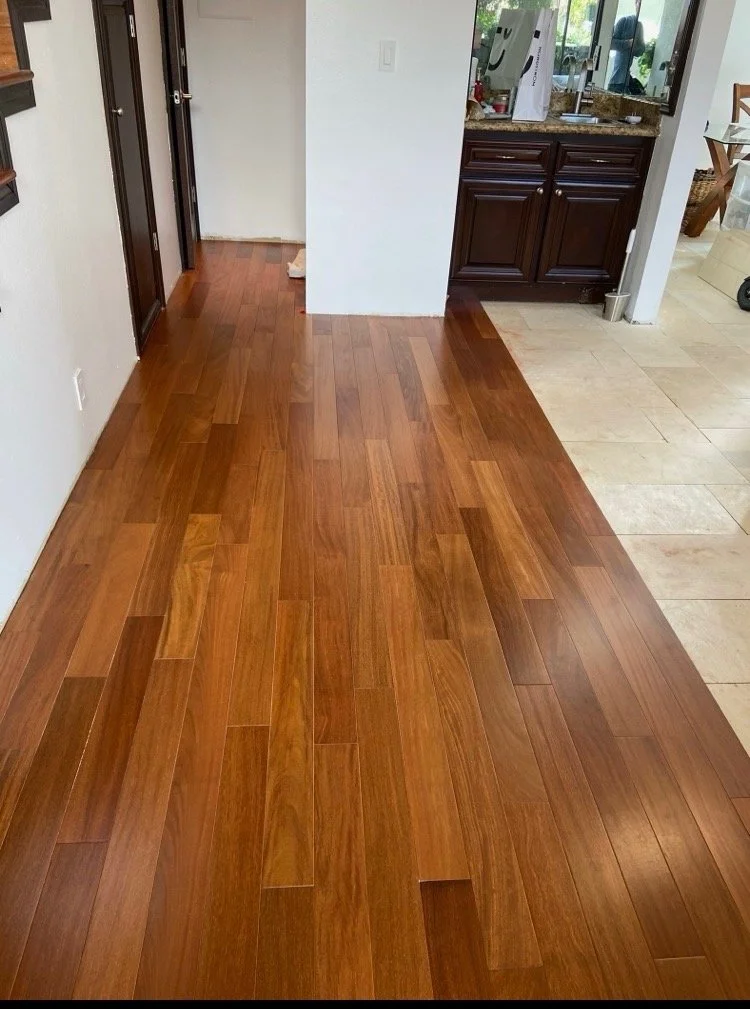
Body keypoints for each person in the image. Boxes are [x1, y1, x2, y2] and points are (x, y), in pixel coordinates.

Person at [608, 13, 646, 94]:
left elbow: (641, 50)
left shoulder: (639, 25)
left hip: (625, 80)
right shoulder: (623, 21)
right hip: (617, 79)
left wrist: (634, 47)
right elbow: (611, 44)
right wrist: (628, 43)